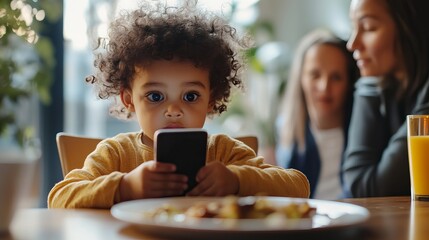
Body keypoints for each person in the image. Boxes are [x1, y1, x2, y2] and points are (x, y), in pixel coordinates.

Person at [48, 2, 310, 208]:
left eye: (190, 96)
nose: (173, 110)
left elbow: (298, 186)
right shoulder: (116, 154)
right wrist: (126, 187)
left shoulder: (224, 152)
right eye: (155, 97)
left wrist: (236, 180)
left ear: (211, 99)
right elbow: (59, 197)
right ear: (128, 99)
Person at [343, 0, 429, 197]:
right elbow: (359, 181)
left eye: (368, 27)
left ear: (409, 27)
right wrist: (370, 82)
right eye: (353, 27)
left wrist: (368, 84)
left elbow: (371, 187)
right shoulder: (387, 87)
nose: (352, 44)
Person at [276, 29, 359, 199]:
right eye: (315, 75)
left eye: (336, 77)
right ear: (301, 79)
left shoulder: (362, 135)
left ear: (349, 83)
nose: (324, 87)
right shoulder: (285, 128)